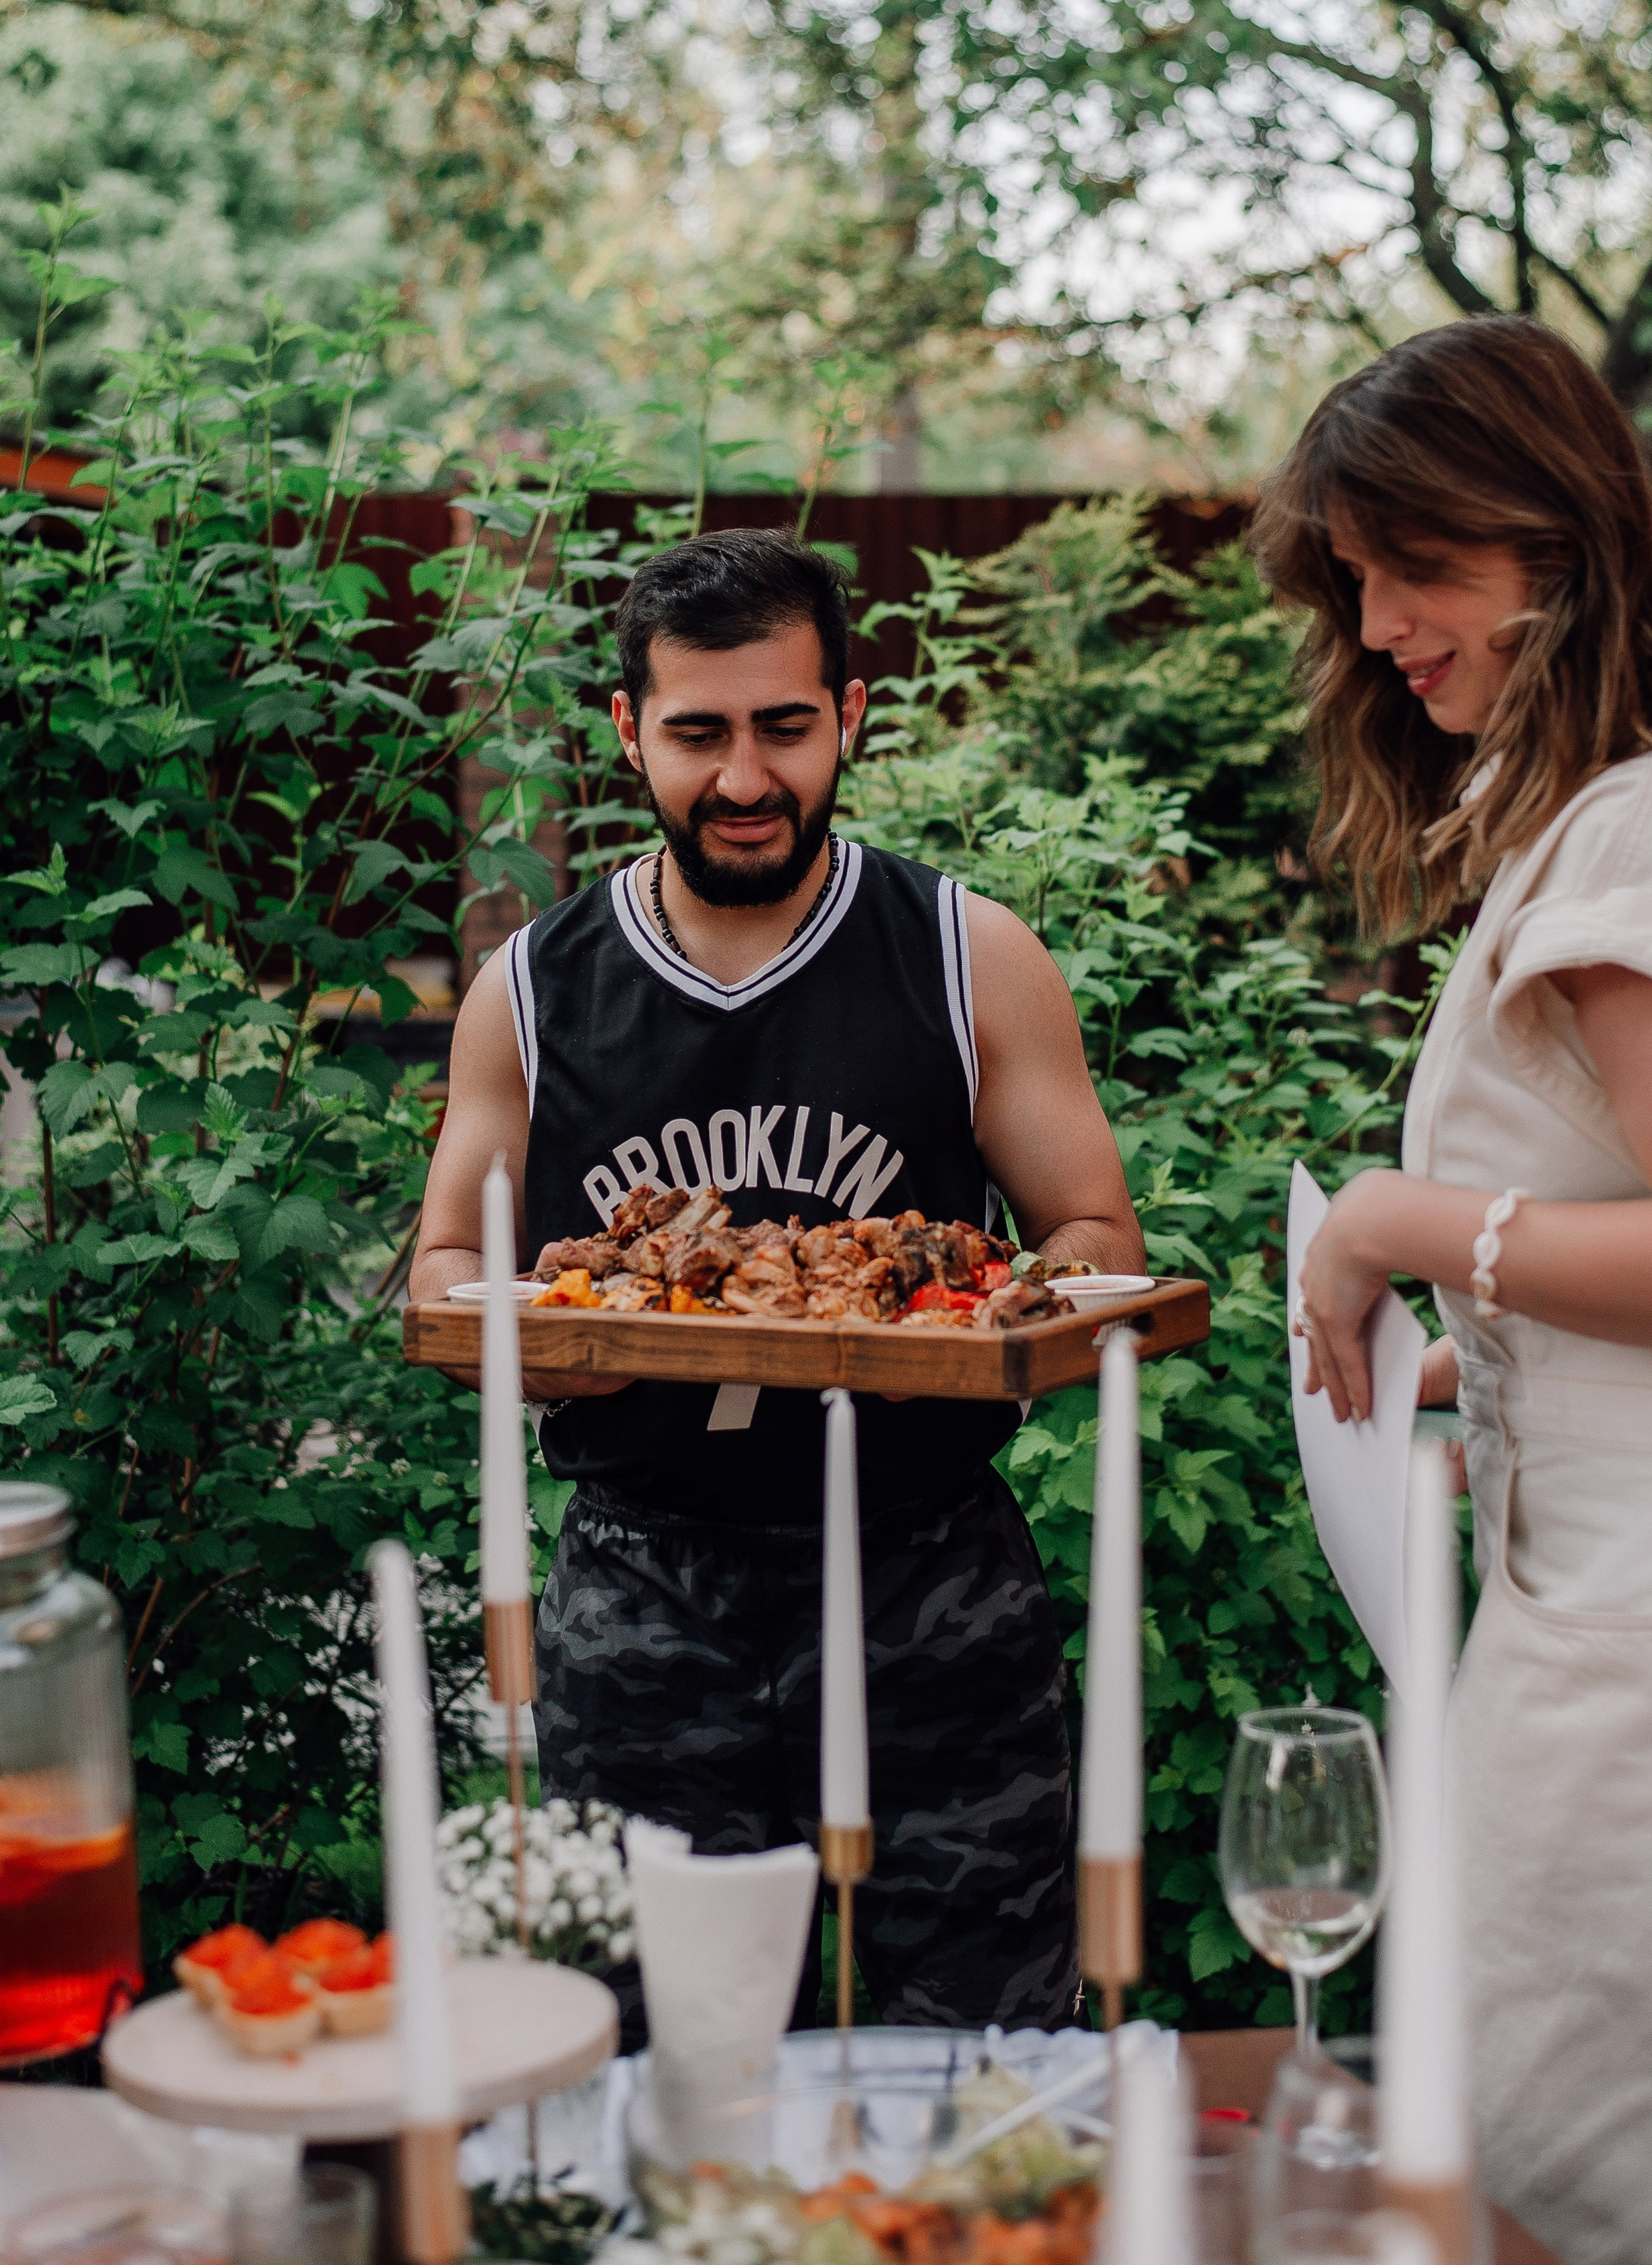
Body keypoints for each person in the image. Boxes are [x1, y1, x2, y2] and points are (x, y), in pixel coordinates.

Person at [412, 528, 1144, 2036]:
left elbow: (1095, 1239)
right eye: (697, 733)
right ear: (628, 733)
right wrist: (550, 1347)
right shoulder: (535, 988)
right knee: (661, 2051)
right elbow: (443, 1271)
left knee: (977, 2048)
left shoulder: (964, 954)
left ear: (848, 717)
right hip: (646, 1586)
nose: (742, 778)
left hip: (926, 1576)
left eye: (781, 728)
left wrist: (975, 1309)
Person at [1254, 317, 1652, 2265]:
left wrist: (1402, 1225)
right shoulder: (1592, 823)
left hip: (1622, 1648)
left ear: (1550, 536)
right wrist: (1450, 1368)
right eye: (1359, 581)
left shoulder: (1626, 835)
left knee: (1543, 2161)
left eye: (1418, 567)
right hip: (1577, 1596)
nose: (1386, 624)